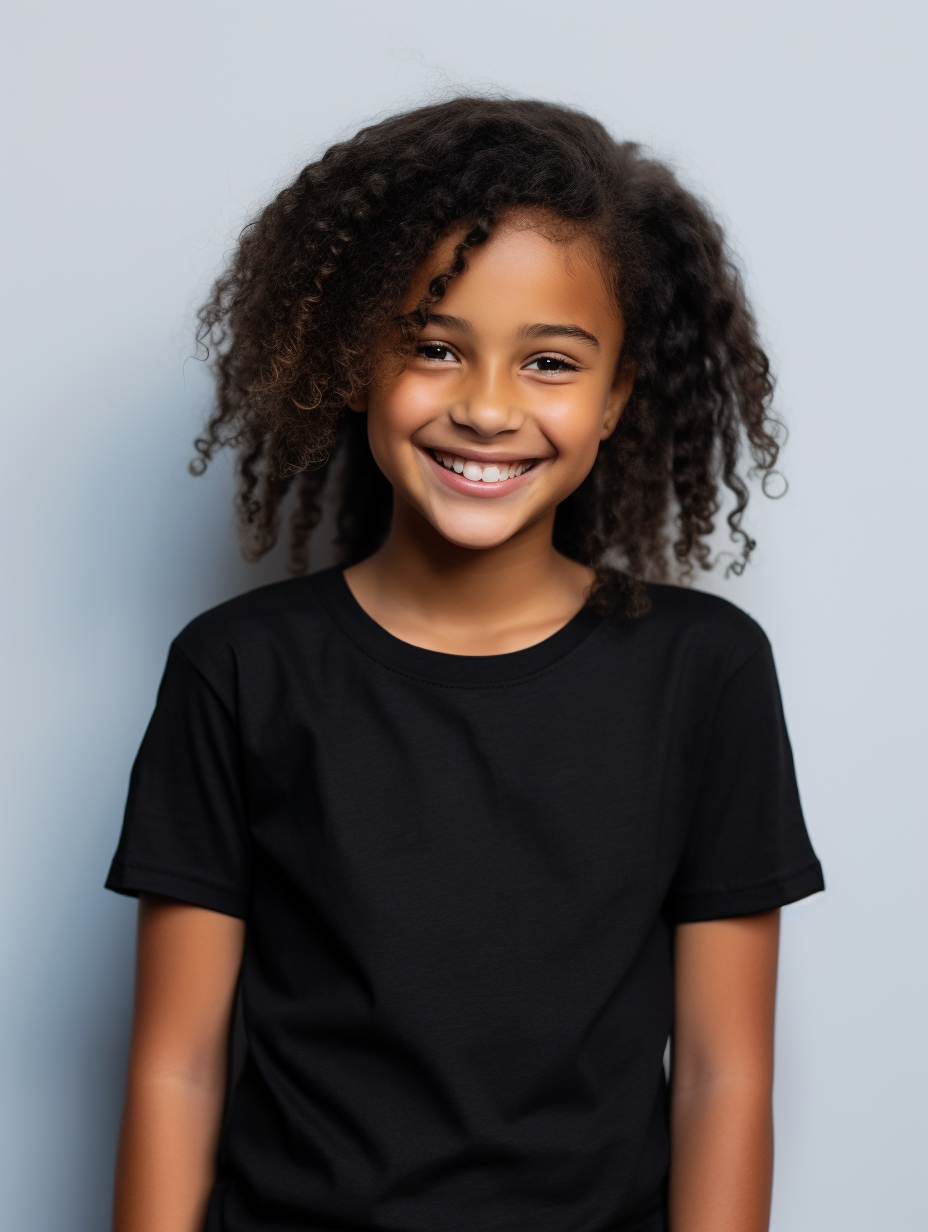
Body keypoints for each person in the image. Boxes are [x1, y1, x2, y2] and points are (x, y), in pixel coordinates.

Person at [106, 97, 824, 1232]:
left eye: (549, 361)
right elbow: (174, 1066)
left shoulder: (706, 672)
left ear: (614, 400)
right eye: (436, 347)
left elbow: (728, 1075)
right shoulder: (238, 668)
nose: (487, 408)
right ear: (352, 364)